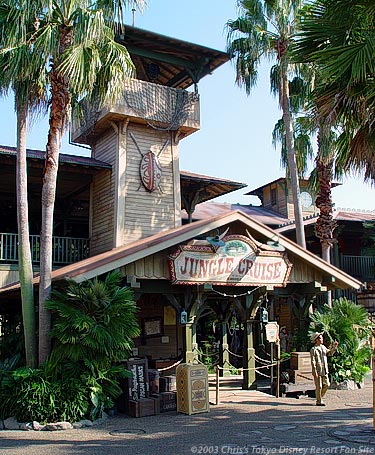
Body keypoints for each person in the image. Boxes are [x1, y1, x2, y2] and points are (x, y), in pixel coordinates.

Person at [310, 332, 338, 406]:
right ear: (316, 340)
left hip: (324, 369)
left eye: (322, 337)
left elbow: (329, 353)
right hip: (318, 370)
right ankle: (319, 401)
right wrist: (314, 370)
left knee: (327, 384)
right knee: (319, 386)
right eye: (320, 338)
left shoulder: (323, 347)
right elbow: (313, 361)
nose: (321, 339)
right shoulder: (313, 349)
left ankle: (319, 397)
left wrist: (334, 347)